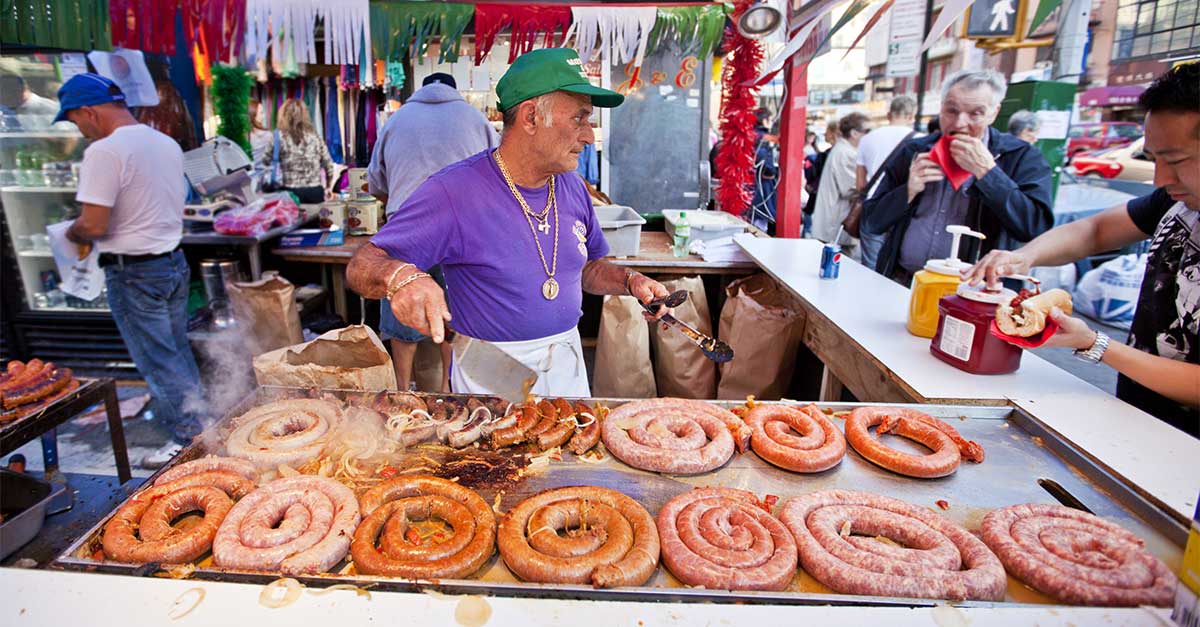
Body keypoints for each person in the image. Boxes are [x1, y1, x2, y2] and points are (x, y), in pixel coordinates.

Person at [346, 48, 671, 397]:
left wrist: (630, 280)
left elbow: (587, 269)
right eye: (579, 119)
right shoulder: (453, 191)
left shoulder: (572, 186)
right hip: (492, 370)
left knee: (570, 450)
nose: (589, 136)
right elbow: (362, 264)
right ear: (531, 117)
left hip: (565, 362)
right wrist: (401, 277)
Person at [965, 63, 1200, 438]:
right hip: (1137, 419)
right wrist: (1026, 256)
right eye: (1154, 160)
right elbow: (1094, 230)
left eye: (1174, 161)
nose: (1160, 179)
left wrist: (1095, 343)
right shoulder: (1176, 202)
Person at [53, 73, 204, 468]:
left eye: (75, 120)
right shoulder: (165, 142)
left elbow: (95, 225)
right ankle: (203, 422)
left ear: (89, 112)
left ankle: (190, 440)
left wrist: (70, 229)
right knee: (176, 352)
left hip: (135, 271)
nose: (79, 129)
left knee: (159, 360)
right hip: (172, 263)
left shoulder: (104, 152)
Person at [367, 72, 499, 391]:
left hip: (406, 226)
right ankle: (447, 387)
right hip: (464, 226)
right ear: (454, 92)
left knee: (402, 308)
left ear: (420, 90)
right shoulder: (474, 118)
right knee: (454, 314)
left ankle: (402, 389)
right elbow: (498, 175)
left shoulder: (396, 121)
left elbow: (376, 183)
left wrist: (404, 206)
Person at [863, 69, 1054, 285]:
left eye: (975, 113)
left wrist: (988, 175)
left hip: (975, 292)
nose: (959, 123)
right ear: (941, 109)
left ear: (993, 113)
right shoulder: (915, 150)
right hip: (906, 281)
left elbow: (1034, 228)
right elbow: (871, 222)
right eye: (951, 111)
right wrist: (907, 191)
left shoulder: (1021, 156)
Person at [855, 96, 918, 271]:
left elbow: (860, 183)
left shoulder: (868, 139)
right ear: (912, 115)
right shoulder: (921, 141)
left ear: (889, 114)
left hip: (873, 208)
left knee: (871, 269)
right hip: (904, 211)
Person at [812, 112, 871, 259]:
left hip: (834, 222)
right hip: (838, 223)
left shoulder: (842, 150)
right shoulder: (847, 153)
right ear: (854, 133)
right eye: (867, 132)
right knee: (839, 268)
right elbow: (852, 188)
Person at [261, 98, 340, 203]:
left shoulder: (278, 137)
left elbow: (265, 162)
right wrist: (328, 187)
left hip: (289, 192)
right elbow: (329, 165)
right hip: (314, 192)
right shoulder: (315, 137)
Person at [248, 99, 273, 167]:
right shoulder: (266, 135)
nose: (264, 116)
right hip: (264, 173)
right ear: (254, 116)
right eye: (261, 113)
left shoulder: (247, 134)